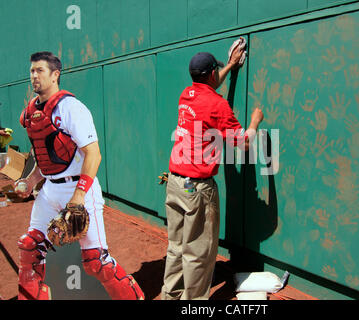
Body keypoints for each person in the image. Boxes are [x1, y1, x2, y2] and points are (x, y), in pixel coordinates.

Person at [15, 51, 144, 300]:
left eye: (40, 70)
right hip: (49, 190)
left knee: (97, 262)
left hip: (79, 188)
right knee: (30, 248)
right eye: (32, 71)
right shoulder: (32, 112)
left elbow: (93, 155)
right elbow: (47, 158)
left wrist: (78, 196)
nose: (34, 76)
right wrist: (31, 181)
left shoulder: (71, 107)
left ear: (55, 75)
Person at [161, 45, 264, 300]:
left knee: (176, 247)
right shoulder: (217, 105)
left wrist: (229, 65)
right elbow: (244, 142)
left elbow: (210, 85)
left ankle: (170, 296)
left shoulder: (186, 94)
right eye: (216, 70)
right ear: (210, 74)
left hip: (175, 184)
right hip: (196, 188)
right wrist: (255, 121)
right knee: (198, 252)